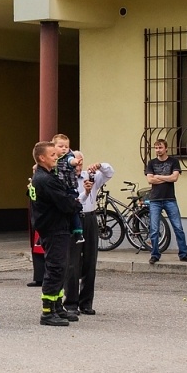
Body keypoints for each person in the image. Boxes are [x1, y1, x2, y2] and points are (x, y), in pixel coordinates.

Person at [30, 141, 83, 326]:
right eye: (52, 155)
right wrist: (76, 205)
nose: (57, 157)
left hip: (56, 226)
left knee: (60, 268)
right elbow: (65, 203)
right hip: (53, 228)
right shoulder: (45, 180)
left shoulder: (45, 176)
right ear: (42, 158)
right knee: (55, 268)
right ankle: (48, 312)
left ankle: (57, 306)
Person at [66, 150, 114, 316]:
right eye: (75, 163)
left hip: (90, 217)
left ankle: (86, 302)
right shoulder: (66, 179)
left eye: (80, 162)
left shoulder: (90, 176)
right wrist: (85, 192)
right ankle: (71, 303)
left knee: (90, 261)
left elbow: (110, 172)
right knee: (72, 263)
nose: (78, 166)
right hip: (74, 218)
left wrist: (100, 165)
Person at [144, 138, 187, 263]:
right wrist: (167, 178)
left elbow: (174, 178)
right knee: (154, 229)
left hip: (170, 199)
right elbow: (150, 180)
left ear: (166, 148)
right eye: (156, 148)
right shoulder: (151, 163)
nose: (158, 150)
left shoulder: (174, 161)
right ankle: (155, 255)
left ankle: (184, 254)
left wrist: (158, 176)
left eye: (160, 147)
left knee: (178, 227)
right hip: (155, 200)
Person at [51, 134, 84, 299]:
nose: (64, 149)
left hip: (69, 190)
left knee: (74, 212)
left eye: (66, 146)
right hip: (59, 190)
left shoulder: (68, 157)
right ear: (53, 147)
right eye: (61, 146)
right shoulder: (52, 160)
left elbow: (71, 161)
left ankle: (78, 232)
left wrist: (75, 162)